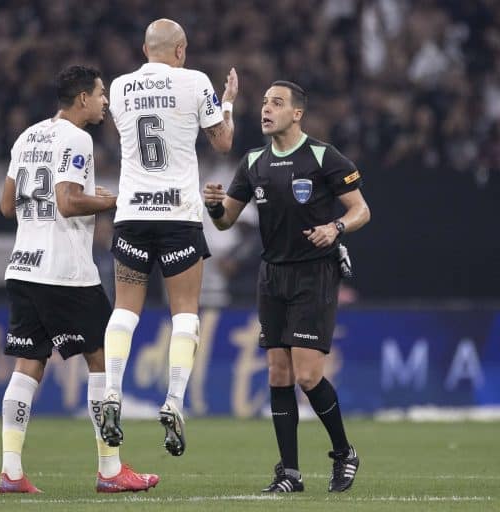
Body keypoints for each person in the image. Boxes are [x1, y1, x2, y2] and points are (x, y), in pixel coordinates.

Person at [0, 65, 159, 493]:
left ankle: (10, 470)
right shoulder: (77, 138)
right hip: (64, 272)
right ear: (83, 98)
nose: (106, 101)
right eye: (102, 93)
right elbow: (68, 202)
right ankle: (110, 470)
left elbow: (6, 206)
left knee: (28, 365)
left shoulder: (28, 136)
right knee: (104, 358)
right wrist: (107, 201)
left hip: (22, 265)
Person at [203, 80, 371, 493]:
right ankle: (290, 474)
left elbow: (360, 210)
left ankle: (344, 452)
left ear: (297, 113)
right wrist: (212, 206)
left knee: (308, 376)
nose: (266, 109)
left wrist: (335, 228)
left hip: (314, 274)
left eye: (276, 103)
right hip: (272, 274)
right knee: (278, 374)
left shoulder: (322, 156)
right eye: (263, 102)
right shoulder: (254, 161)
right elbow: (226, 220)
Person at [100, 18, 237, 457]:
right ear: (181, 50)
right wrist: (227, 103)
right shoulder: (196, 82)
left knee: (124, 309)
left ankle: (112, 393)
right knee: (185, 314)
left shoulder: (120, 87)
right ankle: (174, 400)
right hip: (178, 215)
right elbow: (223, 143)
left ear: (144, 49)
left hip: (133, 214)